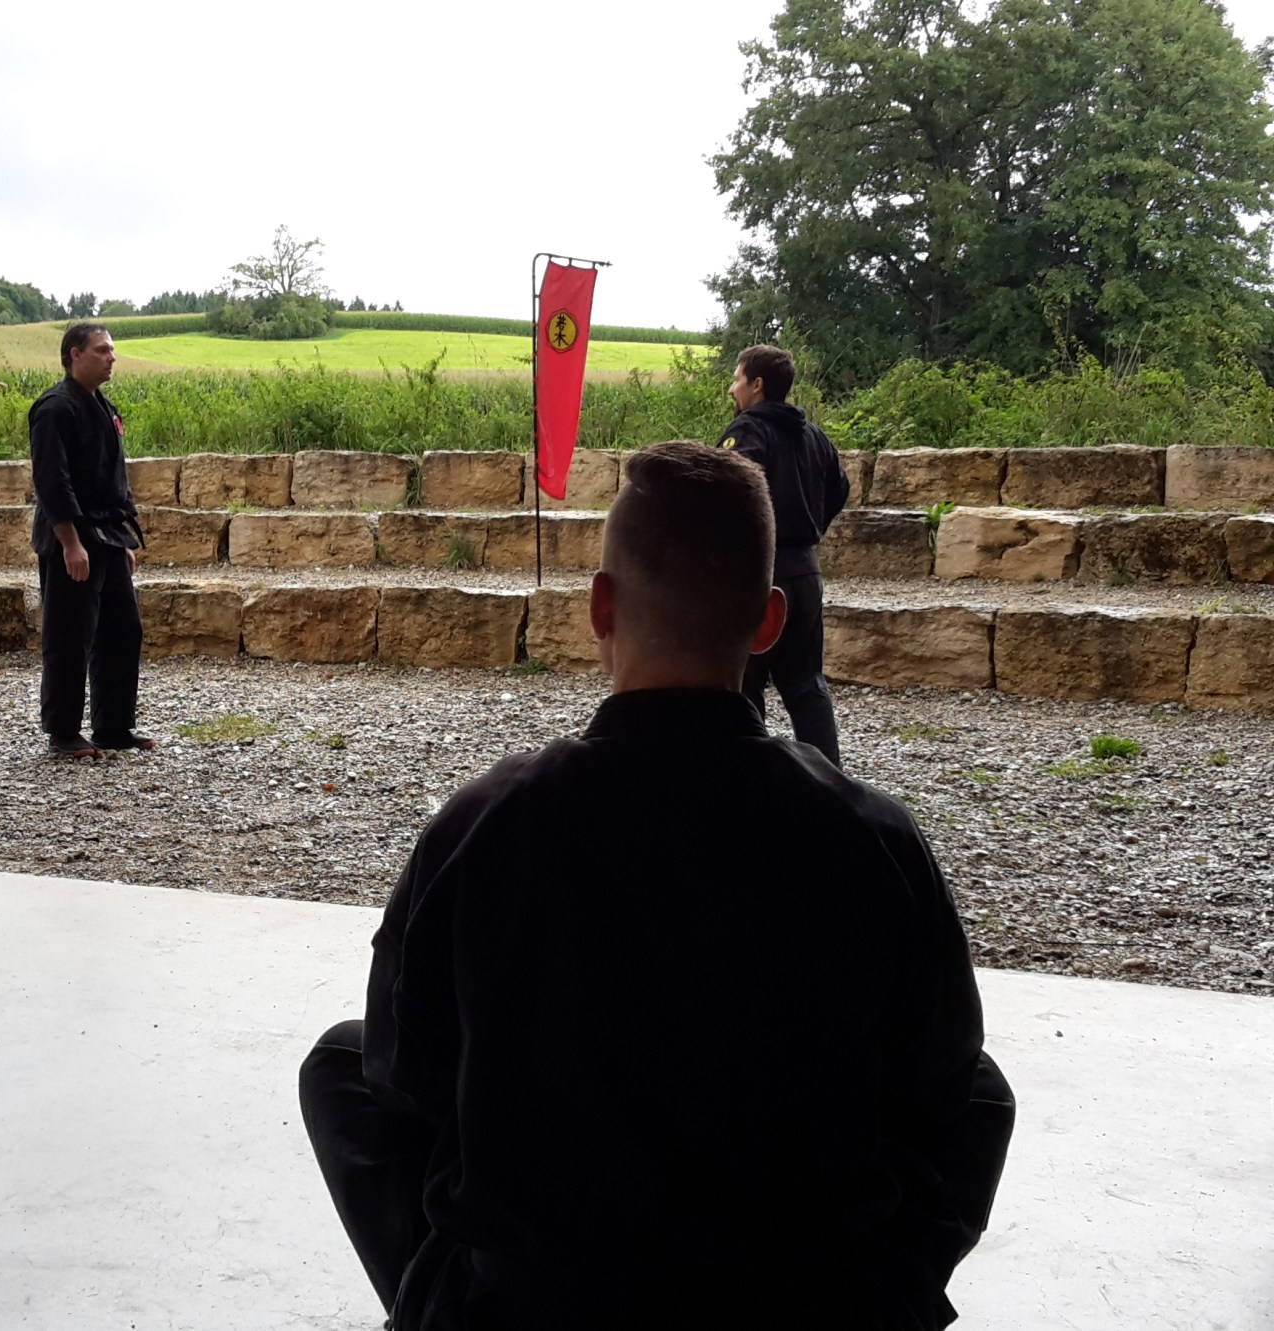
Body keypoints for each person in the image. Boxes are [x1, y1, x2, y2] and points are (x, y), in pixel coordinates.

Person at [298, 442, 1013, 1329]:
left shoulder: (486, 824)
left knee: (342, 1062)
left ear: (601, 606)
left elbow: (406, 1070)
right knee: (983, 1089)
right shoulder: (872, 836)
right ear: (770, 620)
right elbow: (939, 1078)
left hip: (541, 1300)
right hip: (799, 1290)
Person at [719, 343, 849, 766]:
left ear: (757, 385)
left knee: (744, 684)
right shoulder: (815, 437)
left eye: (737, 379)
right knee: (806, 683)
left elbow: (730, 491)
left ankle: (750, 777)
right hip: (806, 573)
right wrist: (811, 527)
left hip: (759, 575)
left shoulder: (748, 432)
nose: (732, 388)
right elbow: (840, 488)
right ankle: (830, 780)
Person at [29, 322, 149, 759]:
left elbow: (115, 476)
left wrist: (123, 540)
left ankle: (113, 726)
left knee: (122, 629)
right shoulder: (55, 409)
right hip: (72, 536)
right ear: (75, 355)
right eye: (102, 350)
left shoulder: (104, 407)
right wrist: (69, 542)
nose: (111, 357)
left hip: (107, 535)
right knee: (69, 634)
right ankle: (63, 733)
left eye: (112, 350)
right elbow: (51, 480)